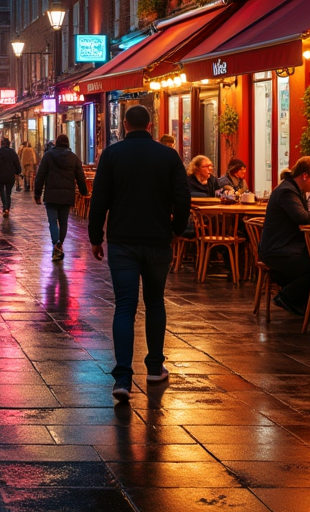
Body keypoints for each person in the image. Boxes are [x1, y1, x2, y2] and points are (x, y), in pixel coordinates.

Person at [88, 104, 190, 402]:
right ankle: (155, 367)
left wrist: (96, 238)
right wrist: (178, 229)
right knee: (155, 302)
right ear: (150, 125)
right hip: (158, 240)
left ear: (125, 126)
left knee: (124, 307)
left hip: (122, 242)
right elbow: (182, 197)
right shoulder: (169, 156)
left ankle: (122, 377)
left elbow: (100, 200)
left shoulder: (112, 155)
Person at [257, 157, 310, 316]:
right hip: (276, 251)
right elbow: (303, 217)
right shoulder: (287, 191)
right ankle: (288, 298)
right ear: (305, 175)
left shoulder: (293, 189)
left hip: (284, 247)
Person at [34, 134, 89, 261]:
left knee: (53, 222)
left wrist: (37, 194)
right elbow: (80, 177)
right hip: (67, 196)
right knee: (63, 222)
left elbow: (40, 175)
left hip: (51, 196)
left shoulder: (48, 156)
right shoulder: (74, 158)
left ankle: (56, 244)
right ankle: (60, 245)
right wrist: (83, 192)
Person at [0, 137, 21, 216]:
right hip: (10, 176)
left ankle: (5, 207)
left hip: (0, 175)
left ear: (1, 144)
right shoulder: (13, 153)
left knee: (2, 192)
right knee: (8, 193)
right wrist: (17, 172)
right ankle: (7, 208)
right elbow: (17, 165)